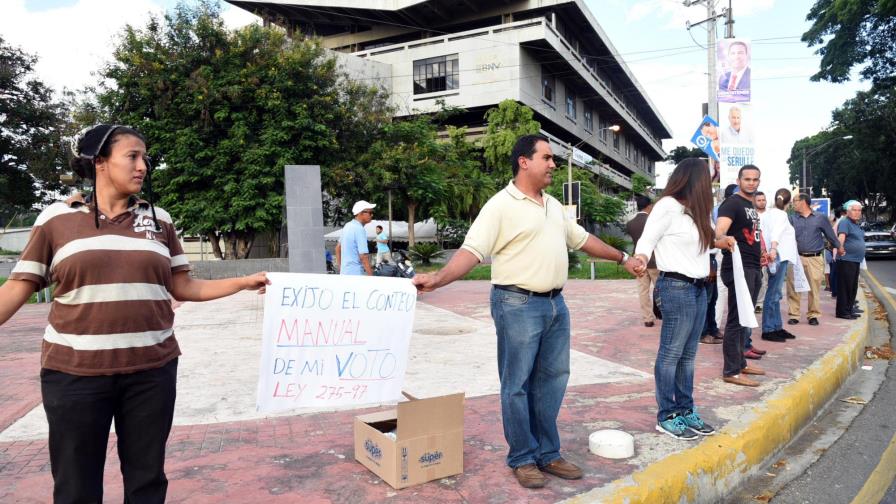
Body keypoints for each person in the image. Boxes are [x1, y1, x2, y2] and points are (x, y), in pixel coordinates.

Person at [0, 124, 270, 503]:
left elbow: (183, 287)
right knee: (76, 486)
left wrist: (243, 282)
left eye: (145, 157)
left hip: (151, 372)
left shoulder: (160, 221)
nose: (143, 166)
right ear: (100, 162)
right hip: (75, 375)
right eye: (132, 156)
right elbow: (18, 286)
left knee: (147, 481)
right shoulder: (56, 219)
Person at [411, 134, 643, 489]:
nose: (553, 164)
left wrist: (623, 257)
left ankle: (548, 453)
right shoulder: (500, 206)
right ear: (524, 162)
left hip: (555, 305)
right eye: (546, 158)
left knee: (553, 379)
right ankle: (522, 457)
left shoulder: (553, 206)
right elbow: (472, 251)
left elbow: (582, 239)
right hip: (516, 304)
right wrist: (438, 279)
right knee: (517, 384)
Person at [634, 158, 717, 440]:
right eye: (707, 179)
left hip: (699, 288)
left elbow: (707, 243)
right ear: (693, 179)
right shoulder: (667, 206)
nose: (709, 184)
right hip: (676, 287)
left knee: (688, 355)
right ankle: (667, 415)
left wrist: (723, 241)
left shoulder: (698, 211)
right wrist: (641, 257)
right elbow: (647, 239)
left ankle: (685, 409)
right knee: (671, 354)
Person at [715, 165, 766, 387]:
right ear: (739, 180)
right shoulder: (732, 203)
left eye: (755, 179)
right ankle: (731, 371)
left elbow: (751, 235)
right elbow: (719, 232)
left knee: (746, 318)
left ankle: (741, 362)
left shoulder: (750, 205)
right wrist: (724, 240)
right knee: (736, 320)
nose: (751, 183)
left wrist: (761, 253)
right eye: (747, 179)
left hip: (753, 266)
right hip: (738, 267)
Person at [787, 193, 842, 326]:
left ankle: (813, 315)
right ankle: (794, 315)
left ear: (803, 202)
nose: (793, 203)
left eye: (795, 201)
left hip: (815, 258)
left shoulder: (820, 218)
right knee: (794, 287)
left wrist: (839, 247)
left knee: (814, 288)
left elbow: (830, 235)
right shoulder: (791, 218)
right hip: (796, 258)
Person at [759, 189, 799, 342]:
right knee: (773, 293)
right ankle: (768, 329)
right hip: (778, 256)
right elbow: (775, 233)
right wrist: (773, 249)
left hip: (775, 255)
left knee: (775, 292)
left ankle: (776, 326)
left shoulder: (768, 214)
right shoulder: (781, 215)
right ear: (789, 202)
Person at [626, 195, 659, 327]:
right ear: (649, 206)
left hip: (638, 260)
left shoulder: (630, 223)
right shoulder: (653, 221)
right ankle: (665, 314)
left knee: (643, 291)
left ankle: (648, 318)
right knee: (661, 290)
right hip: (655, 260)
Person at [835, 201, 866, 319]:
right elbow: (841, 237)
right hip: (846, 259)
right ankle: (842, 312)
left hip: (854, 260)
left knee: (852, 287)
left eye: (859, 210)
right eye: (854, 210)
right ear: (848, 211)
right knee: (845, 287)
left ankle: (849, 309)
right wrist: (840, 248)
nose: (857, 212)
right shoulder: (845, 222)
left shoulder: (855, 223)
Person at [335, 200, 375, 276]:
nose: (372, 215)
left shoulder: (347, 225)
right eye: (370, 213)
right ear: (360, 213)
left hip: (345, 273)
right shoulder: (359, 229)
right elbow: (363, 256)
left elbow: (337, 248)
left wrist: (341, 268)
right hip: (356, 274)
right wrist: (371, 277)